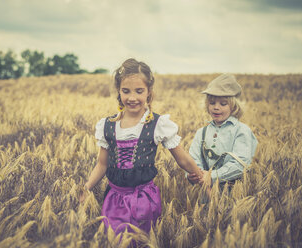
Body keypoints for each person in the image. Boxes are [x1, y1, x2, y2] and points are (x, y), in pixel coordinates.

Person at [81, 58, 204, 235]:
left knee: (141, 240)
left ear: (149, 92)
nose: (132, 98)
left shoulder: (157, 124)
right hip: (113, 199)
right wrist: (86, 188)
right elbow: (102, 164)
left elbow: (182, 158)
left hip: (144, 200)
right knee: (113, 239)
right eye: (126, 91)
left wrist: (201, 177)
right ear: (119, 92)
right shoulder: (107, 125)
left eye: (139, 91)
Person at [186, 74, 258, 190]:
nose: (216, 107)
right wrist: (194, 175)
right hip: (206, 193)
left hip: (236, 195)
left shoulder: (242, 131)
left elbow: (240, 164)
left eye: (223, 104)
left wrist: (212, 176)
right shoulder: (202, 132)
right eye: (212, 103)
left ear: (234, 106)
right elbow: (193, 159)